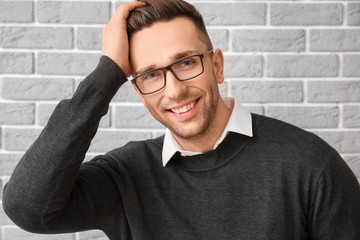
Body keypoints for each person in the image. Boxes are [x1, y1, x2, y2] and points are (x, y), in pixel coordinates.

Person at [2, 0, 360, 239]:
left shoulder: (311, 164)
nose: (174, 91)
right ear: (138, 89)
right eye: (151, 75)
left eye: (187, 62)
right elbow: (26, 208)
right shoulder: (125, 175)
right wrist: (106, 74)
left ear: (217, 65)